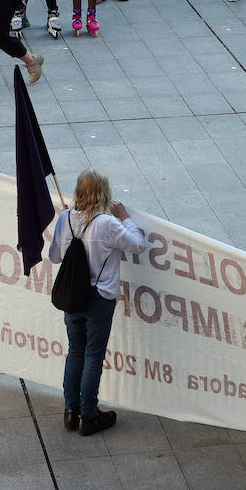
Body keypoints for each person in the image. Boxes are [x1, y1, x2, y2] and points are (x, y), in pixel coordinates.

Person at [48, 168, 148, 435]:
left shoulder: (65, 218)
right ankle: (89, 416)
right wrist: (126, 219)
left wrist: (63, 222)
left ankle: (71, 413)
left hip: (72, 298)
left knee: (75, 352)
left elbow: (55, 257)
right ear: (104, 192)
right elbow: (138, 244)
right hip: (99, 298)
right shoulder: (108, 223)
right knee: (93, 356)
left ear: (79, 190)